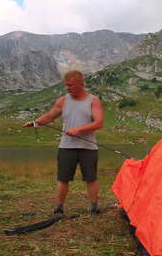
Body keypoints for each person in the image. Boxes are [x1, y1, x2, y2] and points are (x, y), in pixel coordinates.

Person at [23, 70, 104, 215]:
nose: (68, 88)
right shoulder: (63, 101)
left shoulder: (93, 100)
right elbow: (49, 117)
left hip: (89, 147)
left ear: (81, 84)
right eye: (66, 85)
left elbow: (98, 123)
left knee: (91, 178)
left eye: (71, 85)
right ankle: (59, 208)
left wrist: (78, 129)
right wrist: (35, 123)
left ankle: (94, 208)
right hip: (66, 147)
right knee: (63, 179)